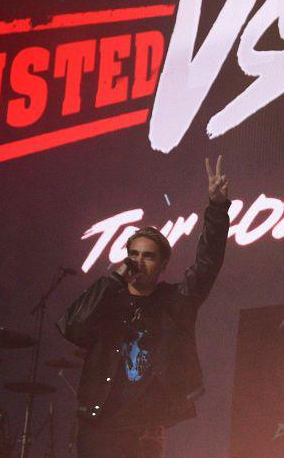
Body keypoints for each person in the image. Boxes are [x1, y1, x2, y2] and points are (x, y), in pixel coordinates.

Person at [58, 156, 231, 458]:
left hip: (147, 427)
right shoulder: (108, 298)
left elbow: (207, 264)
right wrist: (112, 280)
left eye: (148, 256)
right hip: (99, 425)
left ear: (162, 264)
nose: (138, 261)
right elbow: (72, 327)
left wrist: (216, 209)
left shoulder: (175, 301)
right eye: (133, 254)